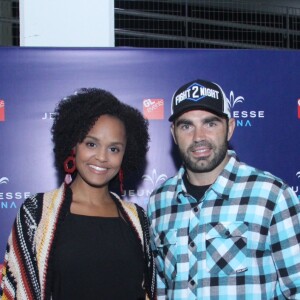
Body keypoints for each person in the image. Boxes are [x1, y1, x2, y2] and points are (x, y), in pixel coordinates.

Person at [147, 79, 300, 299]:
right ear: (173, 133)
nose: (198, 137)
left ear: (230, 128)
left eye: (210, 123)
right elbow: (161, 290)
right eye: (186, 125)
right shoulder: (159, 201)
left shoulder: (271, 195)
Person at [0, 88, 156, 300]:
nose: (102, 157)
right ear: (74, 145)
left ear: (125, 154)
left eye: (114, 149)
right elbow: (18, 290)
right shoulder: (36, 213)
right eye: (91, 144)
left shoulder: (138, 219)